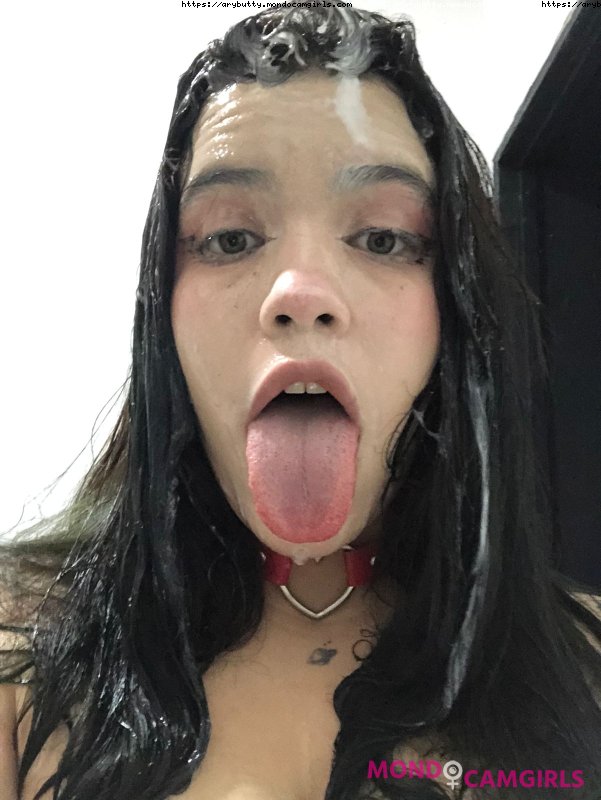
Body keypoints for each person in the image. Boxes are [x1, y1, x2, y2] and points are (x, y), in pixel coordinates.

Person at [0, 7, 600, 800]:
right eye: (229, 239)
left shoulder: (585, 672)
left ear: (455, 310)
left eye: (383, 238)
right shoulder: (18, 654)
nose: (299, 294)